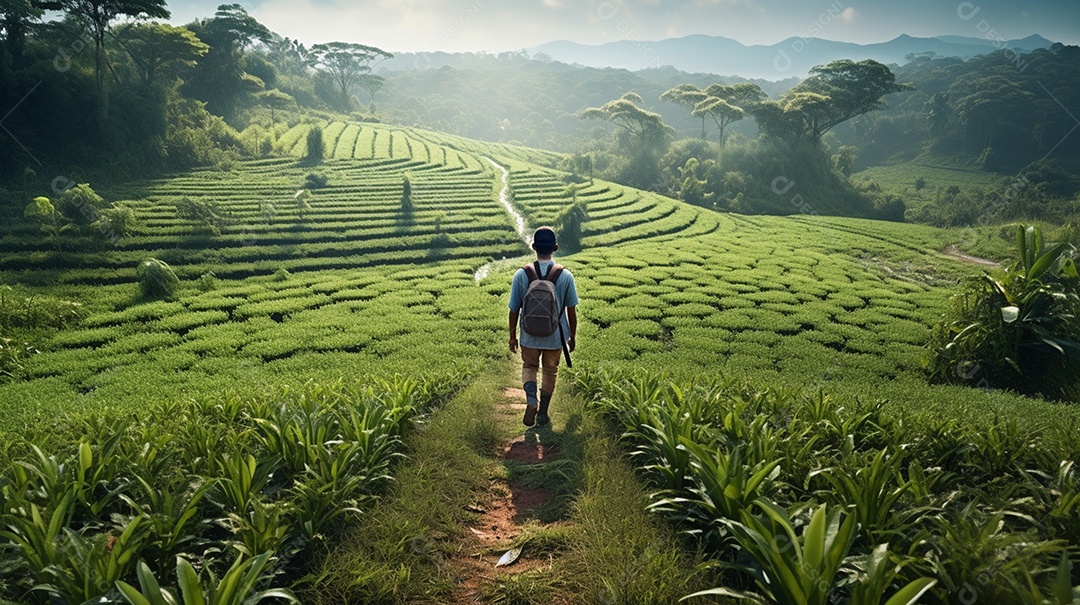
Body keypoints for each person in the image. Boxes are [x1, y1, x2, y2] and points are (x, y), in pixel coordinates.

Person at [508, 227, 578, 427]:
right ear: (555, 247)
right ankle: (542, 414)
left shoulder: (522, 274)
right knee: (550, 371)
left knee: (529, 366)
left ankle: (531, 400)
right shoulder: (565, 276)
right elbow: (571, 311)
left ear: (533, 247)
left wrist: (513, 336)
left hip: (529, 336)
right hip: (555, 337)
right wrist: (572, 336)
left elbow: (514, 309)